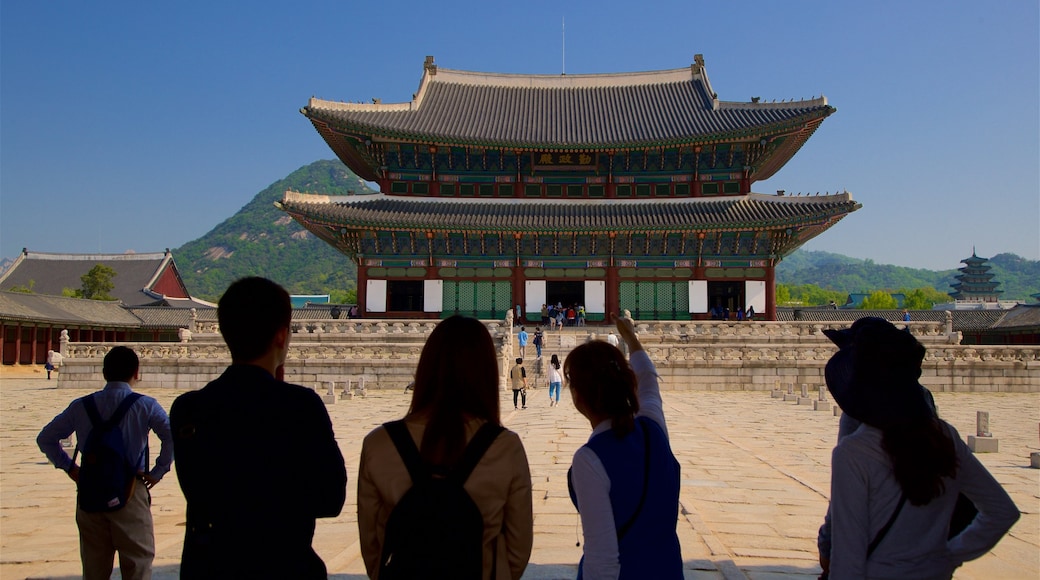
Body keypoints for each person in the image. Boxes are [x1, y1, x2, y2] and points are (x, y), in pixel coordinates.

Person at [170, 277, 347, 579]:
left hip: (211, 564)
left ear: (225, 332)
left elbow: (202, 490)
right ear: (281, 335)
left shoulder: (188, 409)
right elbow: (330, 499)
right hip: (284, 563)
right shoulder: (300, 407)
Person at [822, 317, 1019, 579]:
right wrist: (949, 555)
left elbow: (848, 558)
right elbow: (1002, 512)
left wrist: (827, 544)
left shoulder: (854, 452)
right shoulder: (944, 435)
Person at [358, 315, 533, 579]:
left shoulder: (379, 444)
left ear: (426, 367)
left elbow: (372, 547)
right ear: (486, 371)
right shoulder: (505, 447)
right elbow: (517, 551)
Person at [37, 346, 173, 580]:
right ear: (136, 372)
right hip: (131, 490)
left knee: (94, 569)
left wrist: (70, 467)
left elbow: (46, 438)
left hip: (90, 492)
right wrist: (158, 471)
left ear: (104, 372)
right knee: (137, 565)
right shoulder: (145, 405)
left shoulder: (81, 405)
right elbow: (172, 436)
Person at [566, 314, 683, 579]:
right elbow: (649, 380)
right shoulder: (653, 429)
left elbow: (602, 560)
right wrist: (630, 337)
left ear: (579, 396)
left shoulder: (590, 459)